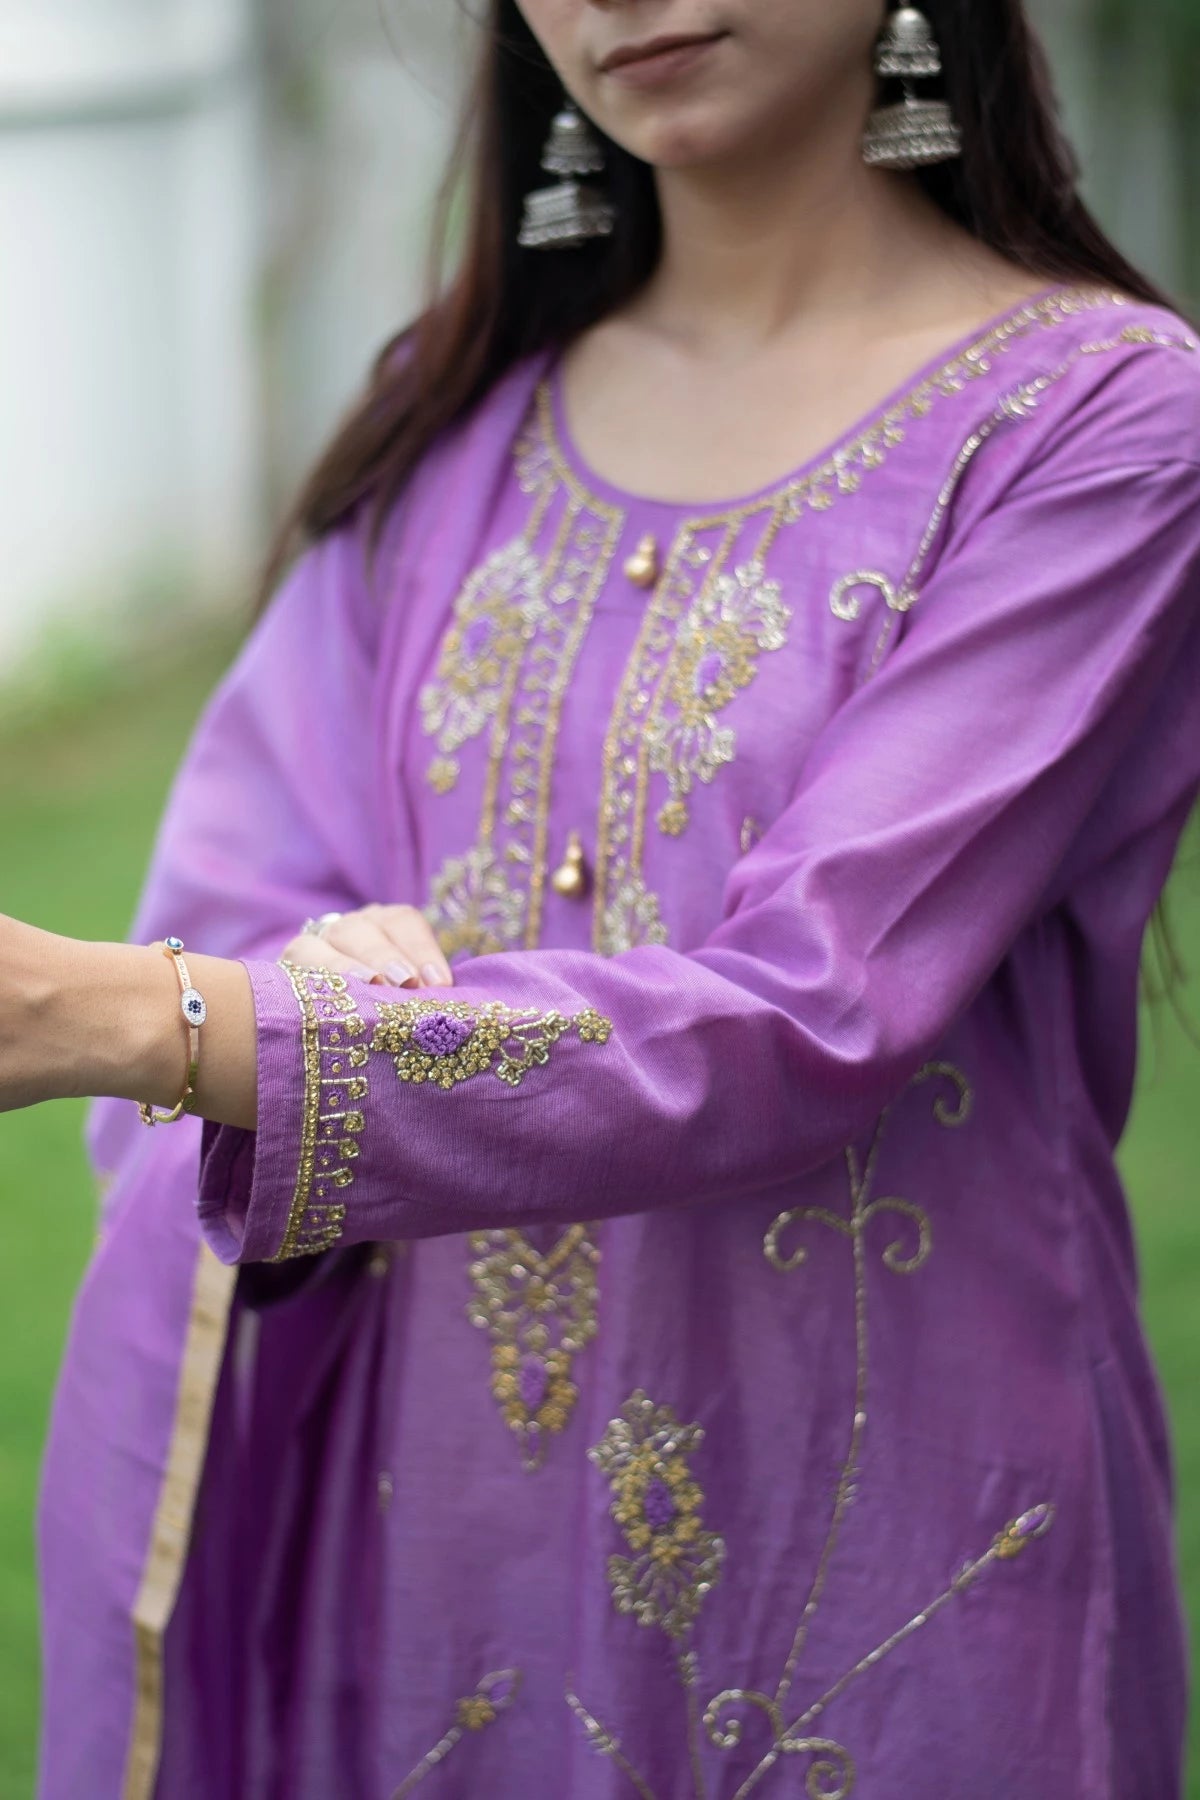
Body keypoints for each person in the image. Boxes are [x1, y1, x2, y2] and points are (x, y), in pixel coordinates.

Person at [6, 0, 1199, 1793]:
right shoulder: (455, 408)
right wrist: (305, 970)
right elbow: (251, 869)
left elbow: (813, 1002)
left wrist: (124, 1017)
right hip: (438, 1501)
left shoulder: (1099, 427)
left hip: (880, 1517)